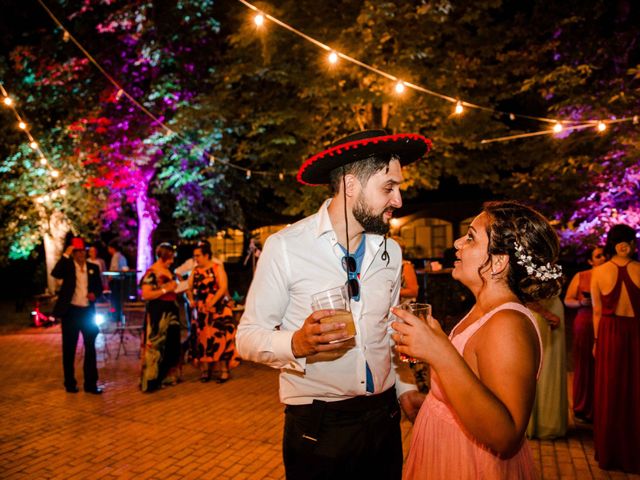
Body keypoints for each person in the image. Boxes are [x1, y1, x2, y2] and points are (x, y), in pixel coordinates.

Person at [237, 129, 431, 479]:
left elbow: (386, 333)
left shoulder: (392, 252)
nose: (398, 200)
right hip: (318, 425)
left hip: (385, 418)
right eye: (389, 187)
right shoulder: (285, 247)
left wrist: (405, 389)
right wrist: (296, 343)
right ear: (350, 184)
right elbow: (247, 337)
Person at [394, 201, 563, 479]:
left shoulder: (507, 324)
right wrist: (432, 400)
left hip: (471, 464)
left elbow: (506, 436)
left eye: (470, 237)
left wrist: (440, 353)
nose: (458, 242)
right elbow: (476, 387)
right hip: (445, 449)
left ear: (498, 262)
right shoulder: (482, 309)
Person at [591, 224, 640, 473]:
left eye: (629, 240)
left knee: (636, 391)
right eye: (620, 240)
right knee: (611, 391)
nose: (625, 244)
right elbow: (597, 312)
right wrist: (597, 342)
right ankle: (612, 452)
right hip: (609, 335)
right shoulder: (599, 273)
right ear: (612, 243)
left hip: (636, 333)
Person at [51, 237, 104, 394]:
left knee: (90, 347)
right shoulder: (67, 267)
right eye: (77, 251)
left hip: (87, 312)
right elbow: (55, 273)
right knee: (69, 349)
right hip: (71, 312)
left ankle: (91, 384)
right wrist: (65, 255)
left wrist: (95, 294)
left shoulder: (93, 267)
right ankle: (70, 383)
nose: (80, 254)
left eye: (82, 251)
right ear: (73, 253)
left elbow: (99, 287)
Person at [563, 245, 605, 422]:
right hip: (585, 321)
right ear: (590, 260)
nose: (602, 258)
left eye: (605, 255)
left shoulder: (610, 275)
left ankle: (601, 406)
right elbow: (568, 300)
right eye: (598, 256)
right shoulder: (582, 276)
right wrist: (581, 303)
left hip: (605, 323)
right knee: (583, 363)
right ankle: (582, 406)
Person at [187, 241, 239, 383]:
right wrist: (191, 299)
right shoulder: (195, 270)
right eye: (194, 256)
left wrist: (212, 301)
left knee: (220, 338)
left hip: (218, 309)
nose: (196, 258)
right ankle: (205, 370)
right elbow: (188, 287)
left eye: (198, 255)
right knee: (203, 339)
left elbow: (223, 287)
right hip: (203, 311)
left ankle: (224, 371)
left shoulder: (217, 268)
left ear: (206, 255)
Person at [139, 243, 182, 392]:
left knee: (171, 344)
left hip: (171, 311)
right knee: (156, 345)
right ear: (163, 256)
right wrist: (165, 289)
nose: (172, 261)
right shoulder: (152, 272)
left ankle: (165, 376)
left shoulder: (168, 271)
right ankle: (151, 381)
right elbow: (146, 294)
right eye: (169, 258)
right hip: (159, 311)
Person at [526, 295, 567, 439]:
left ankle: (548, 421)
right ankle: (538, 423)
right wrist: (546, 314)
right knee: (542, 368)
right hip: (542, 317)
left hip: (551, 312)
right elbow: (526, 295)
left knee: (550, 371)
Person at [107, 240, 129, 323]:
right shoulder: (122, 256)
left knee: (115, 300)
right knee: (118, 300)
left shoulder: (116, 256)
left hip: (116, 281)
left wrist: (110, 277)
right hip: (121, 281)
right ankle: (118, 315)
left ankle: (115, 316)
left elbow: (114, 269)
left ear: (112, 248)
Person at [392, 236, 419, 303]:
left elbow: (413, 291)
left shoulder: (405, 266)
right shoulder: (386, 266)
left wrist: (391, 292)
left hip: (404, 307)